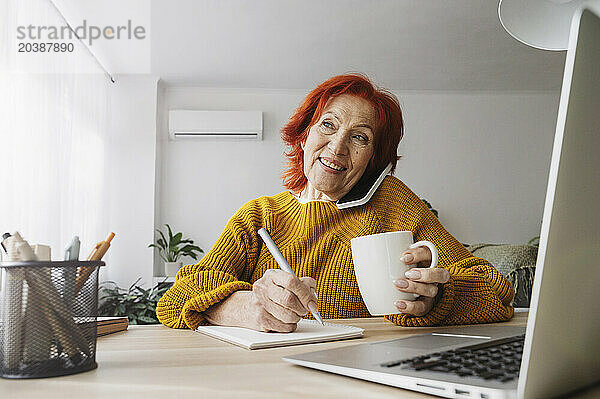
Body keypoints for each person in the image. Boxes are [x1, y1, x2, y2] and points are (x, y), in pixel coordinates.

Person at [156, 74, 514, 332]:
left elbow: (495, 290)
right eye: (328, 125)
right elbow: (176, 298)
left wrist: (437, 300)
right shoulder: (259, 215)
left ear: (373, 159)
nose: (338, 147)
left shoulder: (393, 203)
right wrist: (247, 308)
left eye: (360, 137)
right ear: (304, 134)